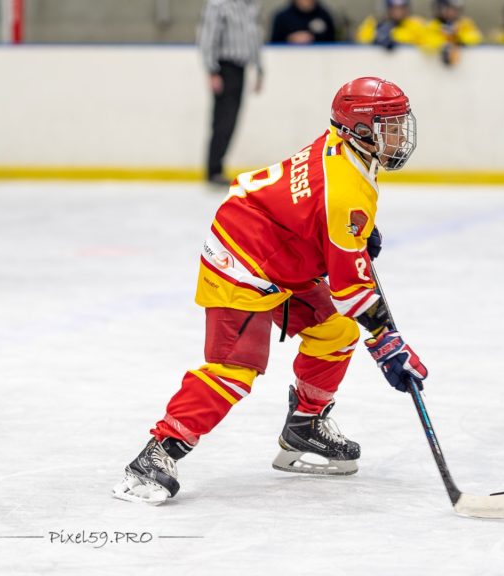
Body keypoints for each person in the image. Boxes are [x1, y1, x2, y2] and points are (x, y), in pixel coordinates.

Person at [112, 77, 428, 505]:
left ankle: (305, 425)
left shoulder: (342, 146)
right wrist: (387, 342)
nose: (398, 136)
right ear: (362, 129)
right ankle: (156, 454)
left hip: (282, 252)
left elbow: (311, 205)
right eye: (389, 126)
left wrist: (351, 236)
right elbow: (351, 287)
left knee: (335, 333)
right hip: (244, 260)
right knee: (235, 371)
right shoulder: (347, 191)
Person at [198, 0, 264, 185]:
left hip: (241, 68)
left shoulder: (250, 6)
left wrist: (259, 69)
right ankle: (213, 170)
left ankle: (217, 167)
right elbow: (208, 37)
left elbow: (254, 37)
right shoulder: (218, 5)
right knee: (223, 121)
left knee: (232, 120)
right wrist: (212, 71)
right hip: (224, 68)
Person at [421, 0, 482, 66]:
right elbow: (427, 44)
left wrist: (458, 37)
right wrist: (443, 43)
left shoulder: (464, 24)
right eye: (448, 9)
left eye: (455, 9)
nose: (452, 12)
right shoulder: (432, 25)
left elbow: (476, 37)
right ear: (439, 9)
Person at [356, 0, 427, 49]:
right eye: (394, 8)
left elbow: (431, 41)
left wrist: (398, 42)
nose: (398, 12)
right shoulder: (376, 24)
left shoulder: (417, 24)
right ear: (387, 9)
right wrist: (376, 39)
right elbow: (361, 41)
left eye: (401, 8)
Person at [270, 0, 337, 44]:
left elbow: (333, 42)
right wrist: (290, 40)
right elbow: (273, 45)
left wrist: (313, 39)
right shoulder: (282, 17)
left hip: (318, 60)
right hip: (289, 60)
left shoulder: (325, 15)